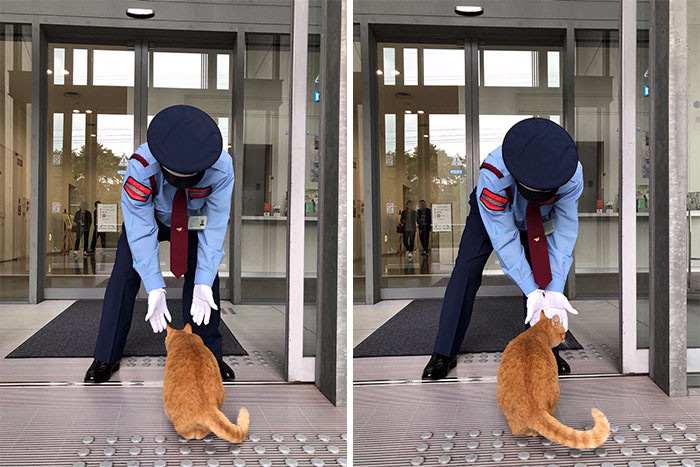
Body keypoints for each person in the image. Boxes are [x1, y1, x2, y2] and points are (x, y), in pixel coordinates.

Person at [422, 118, 583, 380]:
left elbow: (564, 233)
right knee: (466, 270)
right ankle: (444, 351)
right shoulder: (493, 175)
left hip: (537, 218)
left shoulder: (570, 174)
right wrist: (530, 290)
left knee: (545, 275)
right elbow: (505, 239)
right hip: (492, 214)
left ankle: (547, 350)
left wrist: (552, 289)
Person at [85, 105, 235, 384]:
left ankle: (210, 357)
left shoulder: (222, 167)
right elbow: (140, 231)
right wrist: (154, 285)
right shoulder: (140, 167)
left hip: (193, 221)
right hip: (149, 219)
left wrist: (203, 278)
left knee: (206, 282)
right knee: (123, 275)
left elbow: (214, 226)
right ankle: (106, 355)